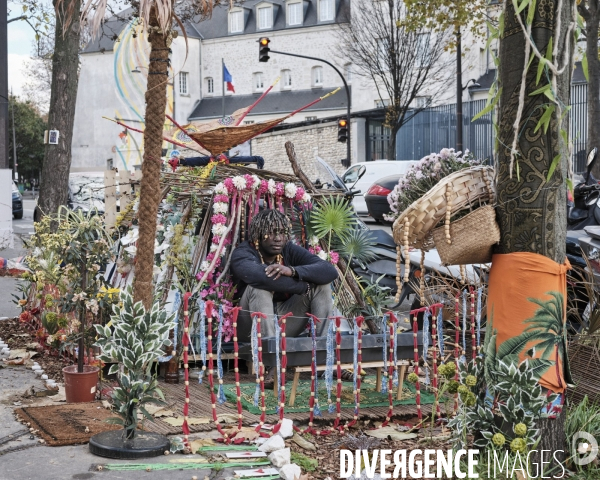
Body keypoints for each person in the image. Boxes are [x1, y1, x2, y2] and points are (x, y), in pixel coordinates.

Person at [230, 209, 338, 343]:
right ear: (258, 233)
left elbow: (329, 271)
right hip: (248, 327)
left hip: (286, 321)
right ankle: (269, 355)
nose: (278, 238)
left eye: (282, 232)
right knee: (258, 288)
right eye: (271, 232)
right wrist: (304, 287)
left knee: (322, 287)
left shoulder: (288, 249)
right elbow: (263, 278)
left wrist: (292, 271)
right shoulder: (243, 253)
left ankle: (324, 347)